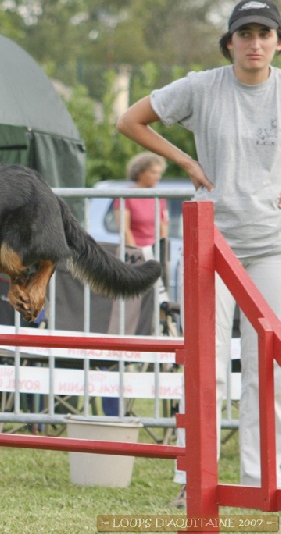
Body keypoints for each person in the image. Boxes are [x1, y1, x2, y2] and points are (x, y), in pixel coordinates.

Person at [116, 0, 281, 504]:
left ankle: (262, 483)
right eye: (245, 33)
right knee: (203, 368)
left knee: (265, 370)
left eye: (264, 34)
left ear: (277, 42)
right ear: (229, 42)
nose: (255, 42)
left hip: (271, 244)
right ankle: (194, 484)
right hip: (210, 243)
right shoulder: (201, 86)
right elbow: (130, 120)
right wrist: (186, 160)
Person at [112, 152, 170, 304]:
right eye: (153, 172)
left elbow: (164, 227)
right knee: (137, 297)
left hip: (156, 252)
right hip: (134, 253)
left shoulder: (159, 196)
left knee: (161, 297)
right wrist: (136, 253)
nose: (157, 176)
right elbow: (124, 229)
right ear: (140, 172)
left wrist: (162, 250)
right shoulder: (126, 195)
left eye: (159, 173)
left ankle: (161, 325)